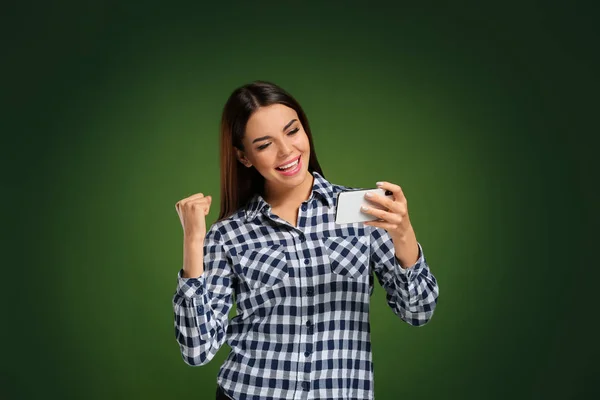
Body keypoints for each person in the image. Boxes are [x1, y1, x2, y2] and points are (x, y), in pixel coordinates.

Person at [172, 80, 439, 400]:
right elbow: (197, 350)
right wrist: (192, 242)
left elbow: (418, 311)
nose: (287, 151)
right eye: (264, 144)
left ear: (305, 129)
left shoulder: (363, 210)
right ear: (244, 157)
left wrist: (404, 233)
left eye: (292, 130)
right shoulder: (229, 234)